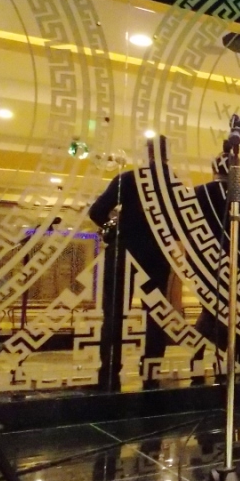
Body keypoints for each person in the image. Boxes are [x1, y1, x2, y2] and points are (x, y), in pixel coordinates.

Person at [89, 137, 172, 388]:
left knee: (114, 312)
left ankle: (110, 369)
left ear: (147, 154)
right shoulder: (175, 185)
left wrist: (113, 227)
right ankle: (151, 367)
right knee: (156, 314)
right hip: (157, 255)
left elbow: (96, 211)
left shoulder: (129, 179)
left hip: (124, 252)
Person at [190, 153, 240, 377]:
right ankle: (237, 360)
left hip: (203, 262)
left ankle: (198, 356)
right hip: (235, 261)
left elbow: (189, 229)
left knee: (209, 309)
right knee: (234, 311)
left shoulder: (197, 192)